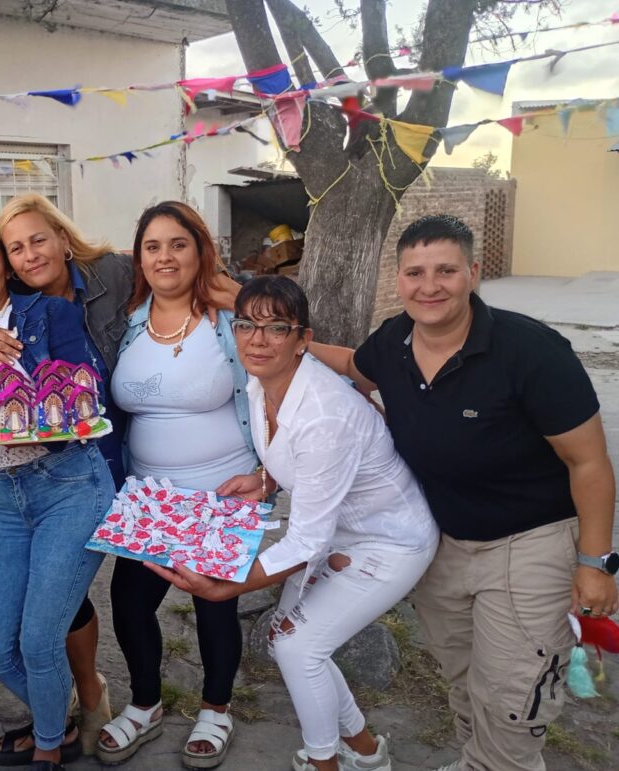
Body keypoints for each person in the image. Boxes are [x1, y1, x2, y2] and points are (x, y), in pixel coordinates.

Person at [308, 214, 618, 771]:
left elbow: (589, 461)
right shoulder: (394, 340)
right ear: (398, 279)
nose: (430, 286)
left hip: (529, 542)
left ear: (473, 273)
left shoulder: (530, 351)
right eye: (415, 273)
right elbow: (355, 364)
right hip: (442, 541)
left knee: (512, 695)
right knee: (465, 679)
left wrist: (595, 563)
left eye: (446, 271)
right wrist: (286, 337)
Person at [146, 275, 440, 771]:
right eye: (246, 325)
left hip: (391, 542)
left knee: (300, 648)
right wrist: (265, 480)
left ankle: (325, 763)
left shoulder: (324, 413)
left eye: (276, 328)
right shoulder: (259, 382)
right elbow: (300, 464)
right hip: (337, 529)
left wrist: (226, 585)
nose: (258, 340)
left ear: (303, 339)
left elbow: (306, 538)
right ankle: (366, 753)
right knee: (288, 642)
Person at [0, 219, 115, 771]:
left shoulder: (46, 314)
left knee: (40, 640)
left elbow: (86, 387)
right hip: (4, 496)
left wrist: (38, 415)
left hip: (69, 482)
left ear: (4, 265)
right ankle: (60, 709)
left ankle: (48, 748)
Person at [98, 202, 258, 768]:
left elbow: (284, 385)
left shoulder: (230, 319)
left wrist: (269, 474)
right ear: (139, 259)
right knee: (128, 604)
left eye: (177, 244)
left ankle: (216, 708)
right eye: (152, 246)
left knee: (214, 606)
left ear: (200, 251)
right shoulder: (126, 321)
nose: (165, 257)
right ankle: (146, 704)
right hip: (147, 494)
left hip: (221, 491)